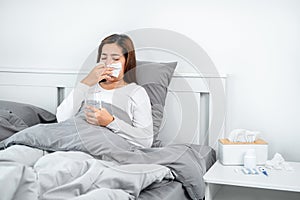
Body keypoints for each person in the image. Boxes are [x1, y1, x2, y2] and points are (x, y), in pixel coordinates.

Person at [56, 34, 153, 148]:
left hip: (108, 150)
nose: (108, 63)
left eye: (115, 59)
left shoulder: (136, 93)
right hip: (76, 145)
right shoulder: (87, 87)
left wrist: (110, 122)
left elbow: (146, 141)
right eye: (104, 58)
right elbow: (62, 119)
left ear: (127, 62)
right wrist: (86, 82)